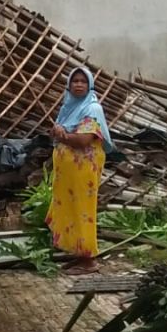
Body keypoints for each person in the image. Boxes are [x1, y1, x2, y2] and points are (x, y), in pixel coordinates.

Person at [48, 66, 114, 275]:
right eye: (74, 81)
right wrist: (59, 133)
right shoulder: (68, 107)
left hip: (82, 171)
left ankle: (88, 260)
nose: (78, 84)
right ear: (69, 85)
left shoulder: (92, 109)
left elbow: (84, 140)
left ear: (90, 85)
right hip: (68, 172)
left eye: (82, 81)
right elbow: (60, 131)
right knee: (70, 209)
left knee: (82, 211)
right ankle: (78, 254)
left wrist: (63, 136)